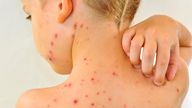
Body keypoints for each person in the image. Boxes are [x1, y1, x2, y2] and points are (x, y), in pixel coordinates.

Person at [17, 0, 192, 107]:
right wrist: (168, 25)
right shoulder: (168, 83)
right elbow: (187, 47)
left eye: (29, 14)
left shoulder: (34, 104)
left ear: (62, 5)